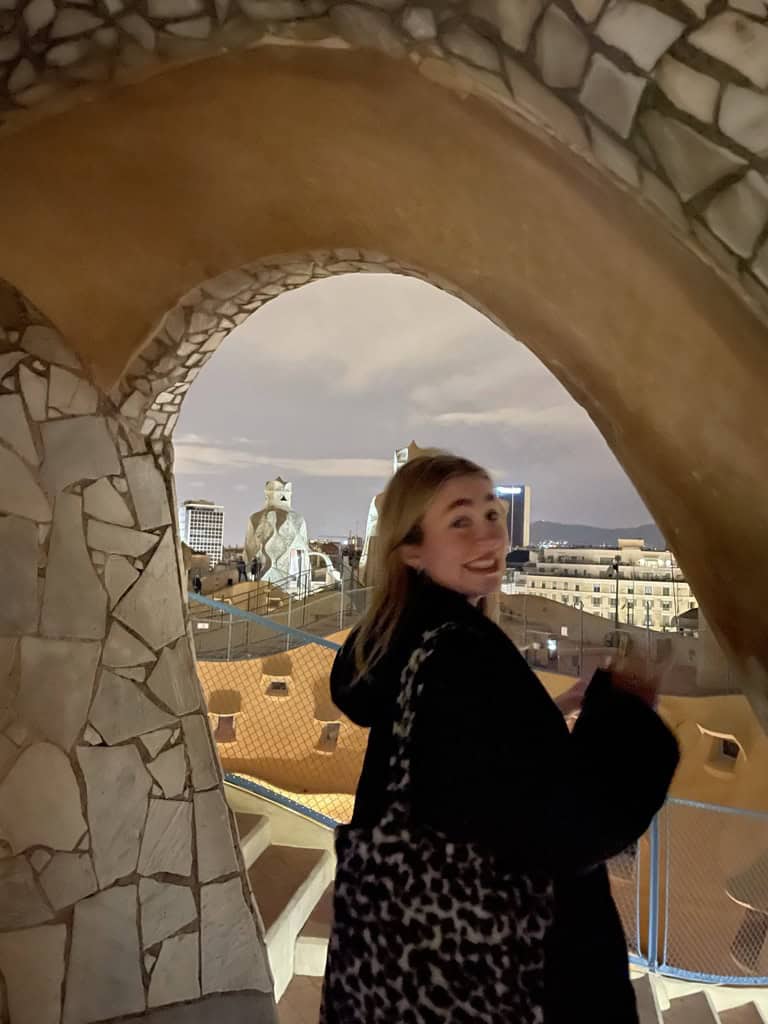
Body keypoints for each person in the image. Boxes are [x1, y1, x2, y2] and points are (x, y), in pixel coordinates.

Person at [322, 452, 679, 1023]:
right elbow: (571, 827)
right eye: (460, 520)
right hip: (520, 978)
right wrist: (630, 714)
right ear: (411, 548)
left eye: (494, 513)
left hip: (407, 971)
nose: (489, 534)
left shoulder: (403, 644)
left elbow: (464, 768)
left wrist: (539, 713)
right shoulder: (462, 655)